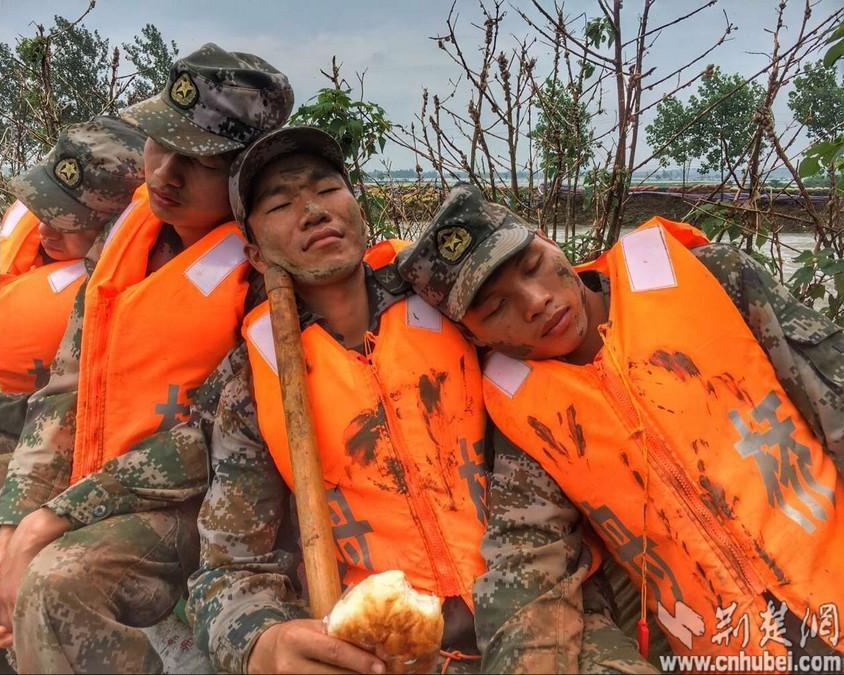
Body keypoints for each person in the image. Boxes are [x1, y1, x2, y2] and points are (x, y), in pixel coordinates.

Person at [187, 127, 653, 675]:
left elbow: (571, 326)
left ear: (357, 207)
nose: (313, 212)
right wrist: (263, 642)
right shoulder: (249, 382)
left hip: (553, 609)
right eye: (281, 205)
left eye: (328, 189)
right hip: (385, 646)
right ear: (255, 254)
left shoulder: (456, 300)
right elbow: (228, 569)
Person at [0, 43, 293, 673]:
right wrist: (11, 531)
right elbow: (64, 395)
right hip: (94, 467)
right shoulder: (125, 240)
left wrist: (51, 521)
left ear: (250, 171)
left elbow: (212, 440)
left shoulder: (269, 277)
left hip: (194, 501)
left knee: (57, 582)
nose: (165, 174)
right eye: (161, 144)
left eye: (200, 160)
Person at [397, 183, 844, 664]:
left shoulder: (713, 276)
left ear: (546, 238)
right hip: (734, 652)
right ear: (473, 334)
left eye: (532, 266)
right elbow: (526, 566)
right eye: (496, 307)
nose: (536, 300)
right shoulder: (520, 416)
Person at [0, 116, 145, 467]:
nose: (44, 230)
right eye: (44, 210)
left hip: (77, 447)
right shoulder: (38, 264)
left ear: (117, 226)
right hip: (18, 418)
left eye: (67, 221)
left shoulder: (137, 296)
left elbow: (83, 414)